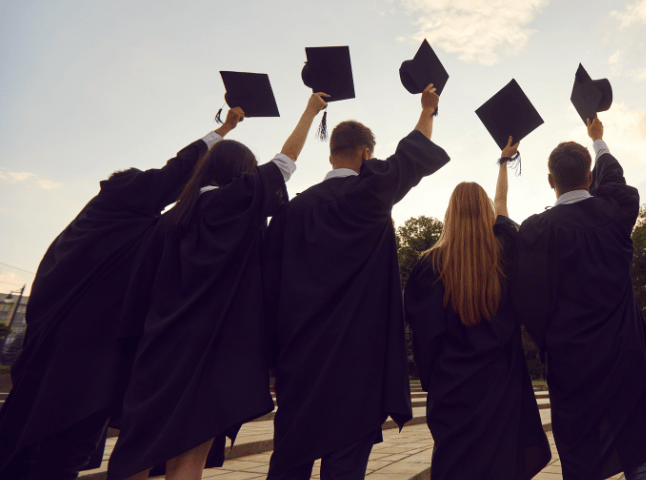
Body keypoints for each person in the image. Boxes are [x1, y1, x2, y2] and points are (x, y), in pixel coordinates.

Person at [0, 107, 245, 480]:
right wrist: (221, 133)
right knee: (55, 452)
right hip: (80, 364)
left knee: (39, 446)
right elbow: (175, 172)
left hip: (63, 359)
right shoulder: (121, 207)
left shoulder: (104, 228)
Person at [106, 92, 328, 480]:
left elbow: (137, 294)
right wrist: (310, 111)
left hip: (158, 351)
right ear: (240, 173)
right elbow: (285, 163)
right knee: (189, 460)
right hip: (214, 353)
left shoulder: (166, 223)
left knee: (136, 453)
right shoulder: (237, 203)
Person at [263, 84, 449, 480]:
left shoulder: (292, 213)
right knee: (345, 468)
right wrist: (427, 109)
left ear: (331, 154)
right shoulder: (370, 196)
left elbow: (268, 292)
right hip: (358, 364)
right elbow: (412, 154)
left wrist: (270, 362)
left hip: (299, 362)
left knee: (289, 463)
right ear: (367, 155)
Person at [513, 115, 646, 480]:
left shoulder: (535, 231)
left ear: (550, 182)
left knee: (580, 458)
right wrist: (598, 140)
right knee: (639, 451)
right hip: (625, 356)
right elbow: (617, 183)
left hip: (570, 360)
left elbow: (528, 303)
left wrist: (551, 341)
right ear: (590, 178)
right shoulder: (614, 213)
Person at [403, 137, 552, 480]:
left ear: (448, 214)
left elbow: (424, 339)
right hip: (500, 386)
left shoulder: (429, 266)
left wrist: (435, 381)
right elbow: (501, 205)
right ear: (487, 214)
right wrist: (503, 163)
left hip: (452, 391)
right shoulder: (504, 254)